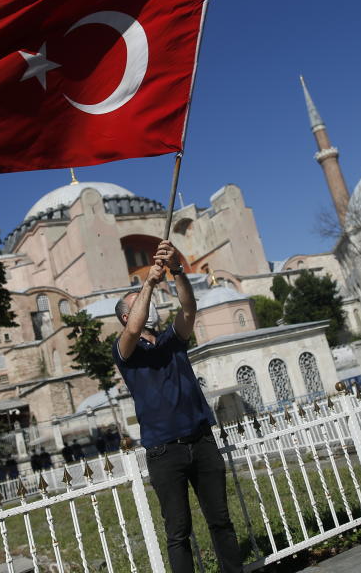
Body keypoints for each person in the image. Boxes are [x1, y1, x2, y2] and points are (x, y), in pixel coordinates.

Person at [112, 240, 240, 573]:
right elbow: (135, 328)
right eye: (139, 303)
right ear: (125, 315)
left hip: (201, 440)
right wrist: (148, 284)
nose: (150, 304)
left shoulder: (172, 339)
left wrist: (177, 269)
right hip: (164, 452)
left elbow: (188, 310)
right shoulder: (125, 349)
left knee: (221, 521)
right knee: (178, 533)